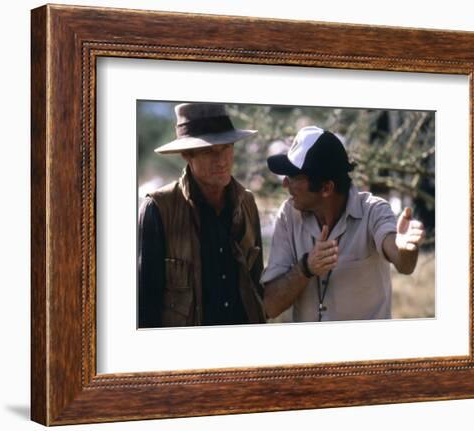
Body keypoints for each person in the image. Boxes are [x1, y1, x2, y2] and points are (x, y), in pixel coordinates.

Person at [261, 126, 426, 322]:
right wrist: (305, 267)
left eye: (294, 177)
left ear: (326, 188)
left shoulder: (374, 211)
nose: (285, 184)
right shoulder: (289, 215)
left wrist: (406, 248)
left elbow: (403, 263)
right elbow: (270, 307)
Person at [138, 103, 266, 328]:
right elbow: (146, 305)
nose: (221, 160)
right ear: (187, 155)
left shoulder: (246, 202)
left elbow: (256, 285)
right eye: (209, 150)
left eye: (226, 147)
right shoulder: (159, 208)